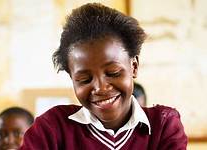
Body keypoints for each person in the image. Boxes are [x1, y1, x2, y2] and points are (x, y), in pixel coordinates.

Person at [20, 3, 187, 150]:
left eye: (113, 73)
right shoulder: (52, 128)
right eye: (84, 79)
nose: (100, 88)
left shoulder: (163, 125)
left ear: (134, 66)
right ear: (72, 78)